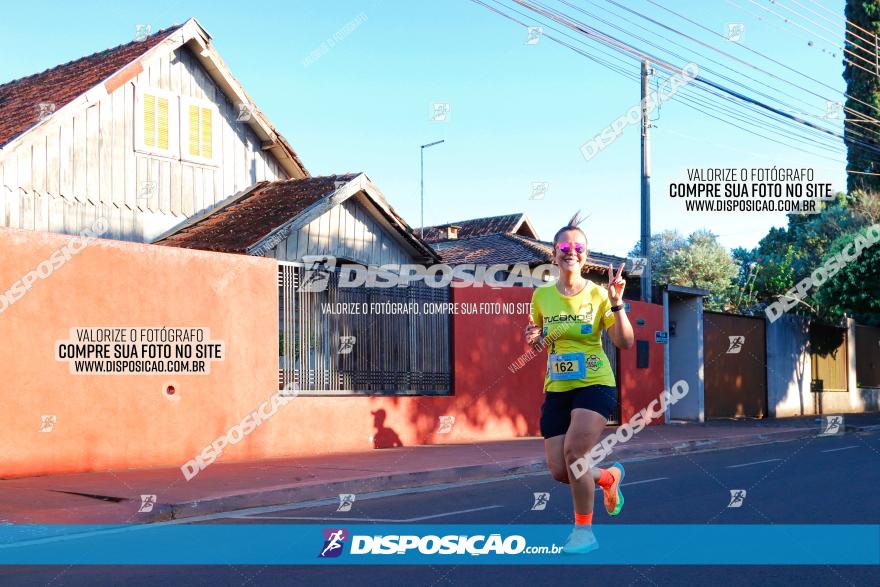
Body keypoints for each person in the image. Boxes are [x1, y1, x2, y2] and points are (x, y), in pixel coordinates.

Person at [524, 211, 635, 554]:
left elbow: (625, 342)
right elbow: (538, 340)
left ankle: (583, 533)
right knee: (562, 470)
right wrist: (533, 338)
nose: (571, 250)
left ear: (586, 255)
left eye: (579, 246)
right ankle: (608, 478)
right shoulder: (541, 296)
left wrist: (617, 304)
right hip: (557, 388)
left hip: (595, 383)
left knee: (575, 456)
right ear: (553, 253)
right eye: (564, 245)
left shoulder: (601, 295)